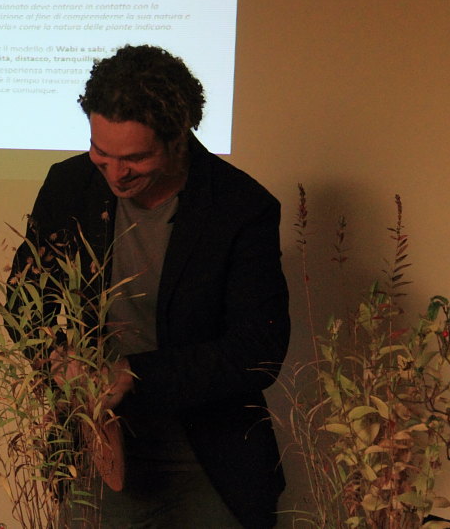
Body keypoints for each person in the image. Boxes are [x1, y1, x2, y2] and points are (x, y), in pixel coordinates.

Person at [18, 45, 290, 528]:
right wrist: (57, 359)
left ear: (178, 137)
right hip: (98, 447)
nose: (115, 173)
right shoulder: (69, 186)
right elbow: (24, 303)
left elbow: (258, 350)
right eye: (101, 153)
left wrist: (134, 374)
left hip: (208, 457)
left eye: (135, 158)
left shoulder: (241, 207)